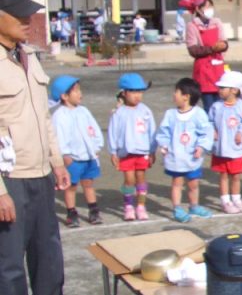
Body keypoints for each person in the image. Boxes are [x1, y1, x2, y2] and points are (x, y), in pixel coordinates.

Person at [0, 0, 91, 295]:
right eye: (18, 13)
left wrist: (57, 162)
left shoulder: (28, 56)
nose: (27, 19)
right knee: (9, 266)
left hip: (40, 173)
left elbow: (45, 119)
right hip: (9, 179)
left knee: (49, 256)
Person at [155, 77, 214, 223]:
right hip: (176, 157)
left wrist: (201, 147)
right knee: (177, 183)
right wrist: (164, 145)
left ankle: (194, 206)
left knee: (193, 184)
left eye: (177, 92)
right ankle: (177, 208)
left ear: (186, 96)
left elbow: (206, 132)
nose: (174, 95)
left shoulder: (199, 114)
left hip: (192, 158)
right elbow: (164, 132)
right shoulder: (170, 114)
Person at [50, 75, 104, 227]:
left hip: (88, 156)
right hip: (72, 158)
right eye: (76, 91)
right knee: (71, 187)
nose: (80, 94)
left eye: (80, 90)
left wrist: (96, 146)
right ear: (64, 96)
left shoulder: (84, 111)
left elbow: (93, 129)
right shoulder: (60, 115)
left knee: (88, 184)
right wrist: (65, 156)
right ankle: (71, 213)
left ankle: (93, 210)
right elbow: (58, 137)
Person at [107, 72, 156, 221]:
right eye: (134, 91)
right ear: (124, 93)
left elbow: (152, 132)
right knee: (129, 179)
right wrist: (113, 152)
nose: (138, 95)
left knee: (141, 178)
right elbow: (112, 133)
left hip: (142, 152)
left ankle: (141, 206)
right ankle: (128, 205)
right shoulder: (119, 113)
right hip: (125, 153)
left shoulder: (145, 111)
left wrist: (153, 150)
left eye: (140, 91)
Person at [209, 70, 242, 213]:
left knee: (236, 175)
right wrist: (212, 130)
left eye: (223, 88)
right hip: (221, 148)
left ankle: (236, 198)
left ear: (234, 90)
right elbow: (209, 121)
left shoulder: (241, 106)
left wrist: (241, 132)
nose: (220, 90)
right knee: (223, 175)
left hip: (236, 148)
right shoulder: (216, 106)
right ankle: (225, 200)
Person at [183, 0, 229, 112]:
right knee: (209, 106)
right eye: (206, 7)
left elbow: (224, 42)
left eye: (211, 6)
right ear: (198, 9)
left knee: (222, 104)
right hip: (203, 70)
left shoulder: (216, 22)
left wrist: (223, 45)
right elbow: (193, 49)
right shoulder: (192, 26)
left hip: (218, 67)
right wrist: (211, 49)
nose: (210, 10)